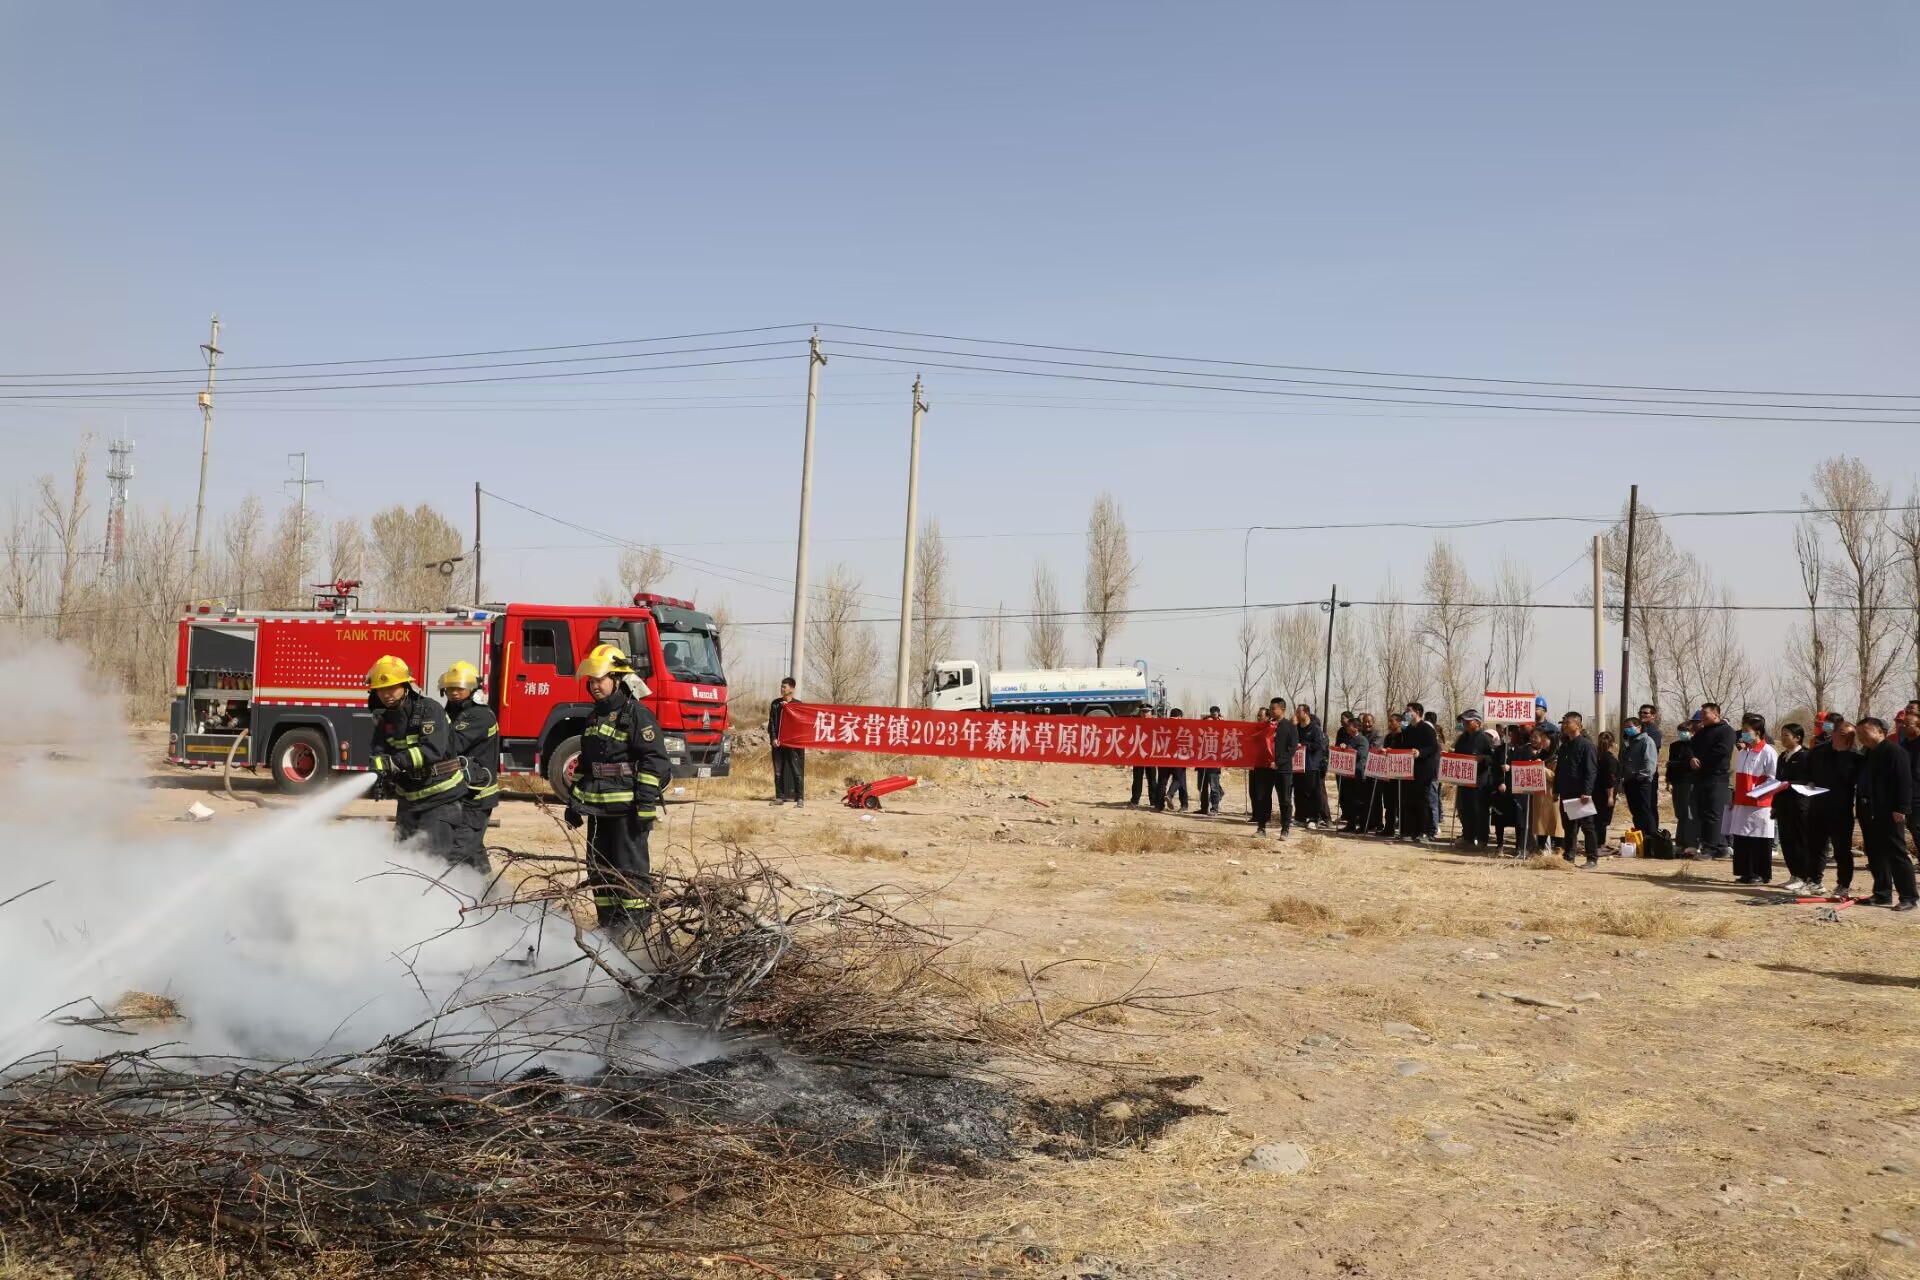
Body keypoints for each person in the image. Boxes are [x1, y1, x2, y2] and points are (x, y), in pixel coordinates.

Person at [570, 643, 673, 931]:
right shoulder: (594, 716)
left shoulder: (637, 714)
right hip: (598, 810)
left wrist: (646, 804)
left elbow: (655, 761)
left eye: (600, 680)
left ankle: (635, 934)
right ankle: (609, 930)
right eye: (591, 681)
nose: (594, 686)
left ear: (617, 679)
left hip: (627, 811)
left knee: (630, 873)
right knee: (599, 871)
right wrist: (574, 802)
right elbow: (586, 764)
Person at [366, 655, 470, 864]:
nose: (386, 694)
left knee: (434, 861)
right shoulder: (385, 717)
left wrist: (394, 763)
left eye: (392, 687)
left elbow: (432, 750)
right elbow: (379, 749)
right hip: (409, 800)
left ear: (406, 686)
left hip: (441, 797)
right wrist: (378, 769)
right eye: (381, 689)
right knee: (403, 859)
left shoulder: (429, 710)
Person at [440, 660, 499, 873]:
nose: (454, 693)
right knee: (474, 852)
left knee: (457, 853)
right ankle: (490, 890)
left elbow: (452, 745)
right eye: (450, 688)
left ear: (473, 689)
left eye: (460, 688)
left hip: (477, 797)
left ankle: (449, 889)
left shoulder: (478, 715)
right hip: (461, 793)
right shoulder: (453, 713)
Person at [1854, 716, 1916, 910]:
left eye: (1865, 732)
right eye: (1859, 733)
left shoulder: (1894, 752)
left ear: (1880, 731)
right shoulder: (1867, 753)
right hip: (1869, 810)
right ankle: (1882, 893)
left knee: (1896, 853)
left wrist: (1901, 808)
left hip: (1889, 811)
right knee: (1875, 853)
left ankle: (1908, 897)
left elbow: (1904, 781)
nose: (1861, 736)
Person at [1807, 714, 1861, 898]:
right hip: (1818, 806)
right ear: (1834, 733)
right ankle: (1815, 881)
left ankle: (1843, 884)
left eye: (1850, 735)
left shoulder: (1856, 757)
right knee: (1816, 847)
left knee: (1842, 850)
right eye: (1842, 733)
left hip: (1841, 810)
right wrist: (1809, 782)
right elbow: (1807, 773)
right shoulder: (1818, 752)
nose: (1845, 737)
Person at [1726, 713, 1779, 885]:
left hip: (1760, 804)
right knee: (1742, 838)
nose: (1743, 733)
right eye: (1743, 729)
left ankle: (1760, 873)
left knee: (1759, 838)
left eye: (1747, 730)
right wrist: (1735, 797)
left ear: (1758, 732)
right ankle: (1746, 872)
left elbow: (1774, 779)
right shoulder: (1743, 752)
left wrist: (1757, 791)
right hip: (1742, 802)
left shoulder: (1768, 752)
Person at [1689, 703, 1738, 860]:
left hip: (1718, 778)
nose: (1702, 716)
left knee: (1715, 814)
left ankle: (1712, 848)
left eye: (1705, 713)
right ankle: (1718, 847)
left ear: (1716, 714)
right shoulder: (1701, 732)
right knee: (1703, 813)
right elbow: (1691, 747)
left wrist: (1701, 760)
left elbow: (1722, 751)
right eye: (1702, 713)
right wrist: (1692, 758)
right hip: (1701, 778)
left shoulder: (1726, 731)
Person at [1774, 723, 1817, 894]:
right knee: (1786, 841)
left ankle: (1803, 876)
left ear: (1797, 738)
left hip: (1799, 803)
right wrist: (1774, 804)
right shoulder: (1783, 756)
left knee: (1800, 841)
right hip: (1783, 804)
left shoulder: (1806, 756)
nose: (1783, 738)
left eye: (1787, 735)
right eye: (1782, 734)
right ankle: (1793, 874)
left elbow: (1809, 780)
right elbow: (1777, 781)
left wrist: (1789, 784)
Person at [1555, 712, 1600, 866]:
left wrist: (1587, 792)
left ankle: (1592, 858)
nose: (1564, 726)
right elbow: (1559, 770)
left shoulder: (1586, 745)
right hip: (1566, 791)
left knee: (1587, 826)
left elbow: (1591, 771)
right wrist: (1556, 790)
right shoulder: (1565, 746)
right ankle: (1569, 856)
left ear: (1578, 726)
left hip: (1580, 793)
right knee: (1569, 827)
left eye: (1567, 723)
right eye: (1563, 723)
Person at [1452, 710, 1495, 850]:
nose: (1464, 723)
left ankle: (1482, 839)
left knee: (1480, 811)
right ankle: (1468, 837)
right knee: (1465, 810)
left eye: (1468, 721)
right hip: (1464, 779)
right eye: (1463, 721)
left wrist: (1482, 759)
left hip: (1479, 780)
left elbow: (1493, 758)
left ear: (1477, 723)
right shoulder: (1462, 738)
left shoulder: (1484, 738)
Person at [1399, 702, 1440, 844]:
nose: (1406, 713)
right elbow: (1404, 746)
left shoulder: (1427, 728)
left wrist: (1420, 752)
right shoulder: (1408, 729)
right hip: (1410, 770)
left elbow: (1434, 747)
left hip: (1425, 771)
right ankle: (1412, 831)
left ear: (1417, 712)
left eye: (1408, 711)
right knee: (1411, 801)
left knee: (1424, 802)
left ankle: (1426, 831)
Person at [1620, 717, 1659, 845]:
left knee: (1645, 810)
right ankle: (1640, 836)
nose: (1628, 729)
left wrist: (1641, 776)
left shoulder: (1647, 741)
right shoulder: (1628, 742)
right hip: (1629, 781)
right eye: (1626, 727)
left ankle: (1651, 838)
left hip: (1642, 781)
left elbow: (1650, 763)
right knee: (1635, 811)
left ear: (1639, 727)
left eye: (1630, 726)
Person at [1263, 697, 1299, 837]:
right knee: (1263, 798)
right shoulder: (1267, 726)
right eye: (1270, 708)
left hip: (1283, 770)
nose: (1271, 711)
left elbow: (1292, 749)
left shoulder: (1290, 727)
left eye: (1274, 709)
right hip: (1267, 768)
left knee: (1284, 800)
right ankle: (1261, 827)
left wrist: (1278, 763)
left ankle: (1285, 829)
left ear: (1282, 709)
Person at [768, 677, 805, 807]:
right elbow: (772, 723)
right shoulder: (775, 704)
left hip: (792, 744)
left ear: (792, 689)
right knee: (778, 771)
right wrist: (773, 738)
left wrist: (789, 708)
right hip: (778, 744)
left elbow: (801, 724)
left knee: (796, 771)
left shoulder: (798, 705)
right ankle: (779, 797)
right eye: (781, 686)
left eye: (785, 687)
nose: (782, 689)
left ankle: (799, 798)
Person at [1294, 703, 1328, 828]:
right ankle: (1300, 817)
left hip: (1311, 765)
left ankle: (1314, 818)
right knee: (1299, 792)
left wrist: (1304, 745)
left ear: (1306, 713)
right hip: (1298, 765)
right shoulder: (1297, 728)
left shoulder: (1315, 729)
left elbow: (1318, 745)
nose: (1297, 714)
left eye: (1299, 712)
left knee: (1312, 792)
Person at [1668, 717, 1699, 852]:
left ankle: (1691, 841)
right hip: (1677, 782)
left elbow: (1694, 765)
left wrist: (1677, 764)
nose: (1682, 734)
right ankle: (1680, 841)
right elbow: (1670, 765)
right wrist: (1669, 781)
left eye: (1685, 731)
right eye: (1680, 731)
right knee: (1680, 812)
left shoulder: (1696, 745)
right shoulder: (1674, 746)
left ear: (1692, 732)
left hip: (1690, 781)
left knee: (1689, 812)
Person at [1529, 726, 1560, 854]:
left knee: (1554, 825)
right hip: (1540, 795)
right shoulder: (1541, 755)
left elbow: (1557, 777)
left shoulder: (1557, 756)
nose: (1542, 741)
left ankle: (1558, 851)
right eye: (1542, 738)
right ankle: (1541, 851)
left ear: (1552, 741)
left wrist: (1543, 769)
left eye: (1545, 739)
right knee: (1541, 825)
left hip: (1552, 795)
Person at [1247, 706, 1277, 831]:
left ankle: (1265, 816)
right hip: (1254, 764)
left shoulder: (1272, 728)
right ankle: (1256, 814)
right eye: (1258, 715)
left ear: (1268, 717)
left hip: (1266, 766)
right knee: (1253, 791)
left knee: (1263, 793)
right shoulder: (1254, 728)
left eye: (1261, 715)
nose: (1258, 718)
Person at [1195, 706, 1226, 815]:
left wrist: (1221, 724)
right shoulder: (1201, 734)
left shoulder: (1218, 734)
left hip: (1213, 764)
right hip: (1202, 764)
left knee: (1214, 787)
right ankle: (1204, 808)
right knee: (1201, 787)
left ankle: (1214, 808)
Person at [1159, 708, 1190, 812]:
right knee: (1179, 779)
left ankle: (1159, 805)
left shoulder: (1162, 725)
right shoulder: (1184, 727)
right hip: (1179, 758)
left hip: (1163, 758)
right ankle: (1177, 800)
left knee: (1162, 781)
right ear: (1180, 717)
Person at [1594, 730, 1619, 850]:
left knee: (1596, 819)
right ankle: (1600, 844)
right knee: (1603, 820)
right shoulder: (1610, 759)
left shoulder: (1596, 757)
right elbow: (1610, 779)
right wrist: (1610, 796)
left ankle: (1595, 843)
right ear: (1612, 743)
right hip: (1605, 793)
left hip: (1595, 791)